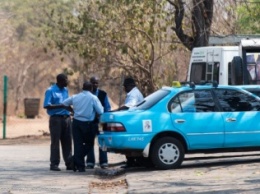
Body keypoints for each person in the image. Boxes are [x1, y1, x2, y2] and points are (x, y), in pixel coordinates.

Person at [62, 81, 104, 172]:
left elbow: (64, 103)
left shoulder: (75, 97)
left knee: (78, 145)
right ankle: (74, 160)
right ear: (91, 89)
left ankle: (79, 166)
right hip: (88, 124)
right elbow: (100, 111)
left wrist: (72, 111)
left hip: (76, 123)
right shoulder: (93, 98)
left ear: (82, 88)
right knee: (89, 144)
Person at [43, 73, 73, 171]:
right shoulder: (50, 90)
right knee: (55, 142)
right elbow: (46, 105)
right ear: (60, 81)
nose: (67, 82)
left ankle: (69, 163)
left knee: (68, 141)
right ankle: (54, 164)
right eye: (66, 80)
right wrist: (61, 106)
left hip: (67, 118)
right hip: (56, 119)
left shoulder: (65, 90)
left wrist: (72, 110)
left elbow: (66, 104)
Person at [86, 76, 111, 169]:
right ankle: (90, 162)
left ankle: (104, 162)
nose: (95, 85)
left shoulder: (103, 94)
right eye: (93, 83)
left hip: (101, 122)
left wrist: (102, 116)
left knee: (103, 142)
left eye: (96, 83)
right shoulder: (86, 94)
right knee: (89, 142)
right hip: (90, 122)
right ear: (90, 83)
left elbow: (107, 108)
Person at [118, 76, 144, 168]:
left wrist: (117, 110)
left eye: (125, 86)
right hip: (134, 119)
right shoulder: (134, 92)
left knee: (129, 142)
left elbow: (129, 106)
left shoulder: (133, 94)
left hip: (134, 121)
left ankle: (132, 162)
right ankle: (132, 162)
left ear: (130, 85)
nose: (124, 88)